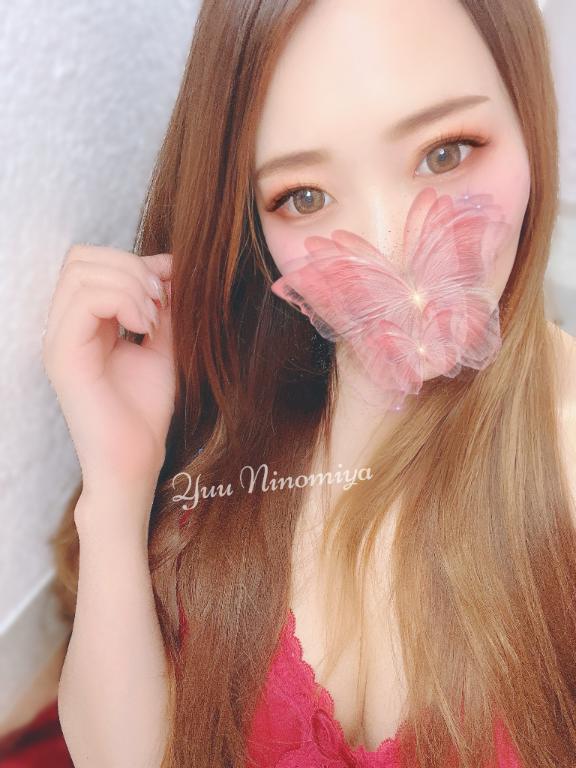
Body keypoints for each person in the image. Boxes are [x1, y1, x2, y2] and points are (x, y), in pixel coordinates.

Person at [42, 0, 576, 766]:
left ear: (528, 113)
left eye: (447, 152)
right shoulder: (233, 406)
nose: (391, 250)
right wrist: (117, 485)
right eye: (305, 197)